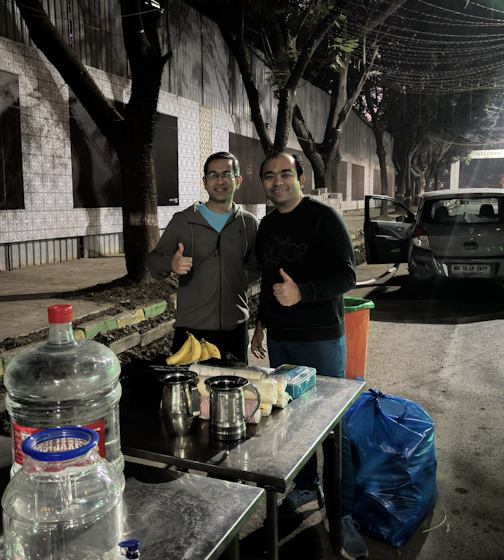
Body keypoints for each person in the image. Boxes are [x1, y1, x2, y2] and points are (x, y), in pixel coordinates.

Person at [250, 151, 367, 559]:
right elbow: (268, 279)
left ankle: (343, 513)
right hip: (281, 339)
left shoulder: (324, 217)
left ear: (300, 177)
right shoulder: (266, 225)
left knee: (335, 430)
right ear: (263, 183)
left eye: (285, 174)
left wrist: (304, 291)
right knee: (290, 422)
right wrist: (261, 322)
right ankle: (303, 490)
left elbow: (348, 274)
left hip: (320, 338)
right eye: (269, 176)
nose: (277, 181)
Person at [147, 151, 259, 366]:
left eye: (226, 174)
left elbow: (255, 267)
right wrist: (170, 264)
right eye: (213, 175)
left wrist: (236, 278)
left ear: (238, 180)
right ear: (205, 182)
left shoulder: (249, 223)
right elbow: (153, 261)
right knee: (190, 396)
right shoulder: (184, 221)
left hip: (235, 329)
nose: (220, 181)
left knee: (233, 393)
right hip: (192, 331)